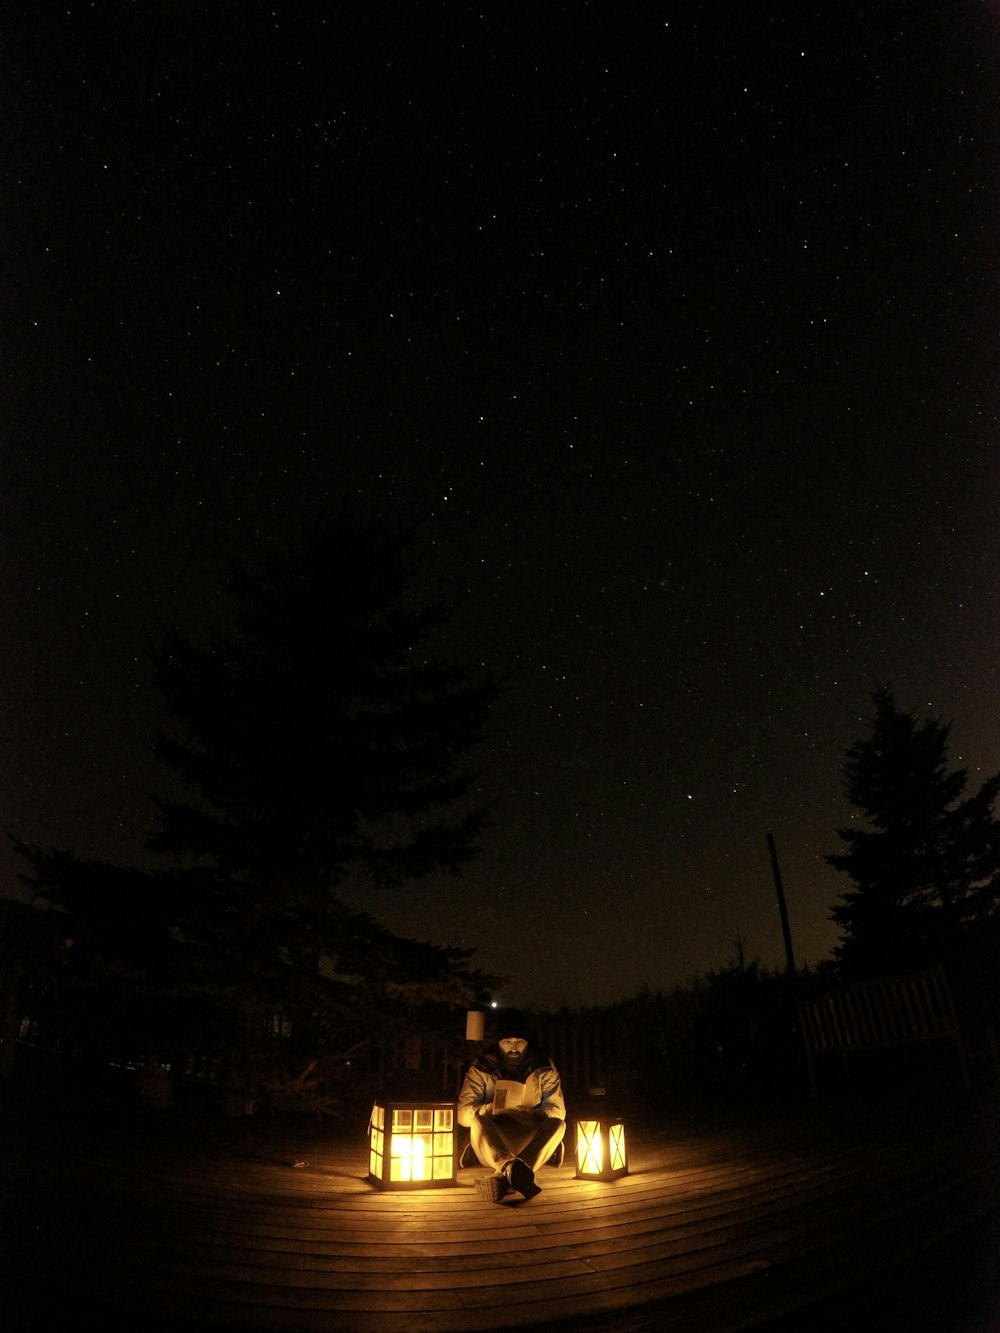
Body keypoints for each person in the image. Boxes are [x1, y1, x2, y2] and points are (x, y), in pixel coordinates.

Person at [458, 1009, 566, 1203]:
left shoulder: (544, 1066)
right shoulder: (481, 1067)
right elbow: (462, 1114)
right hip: (492, 1142)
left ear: (528, 1042)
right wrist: (485, 1110)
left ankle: (506, 1174)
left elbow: (558, 1110)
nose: (513, 1047)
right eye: (507, 1042)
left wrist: (538, 1115)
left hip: (529, 1140)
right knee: (476, 1120)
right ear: (498, 1043)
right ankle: (511, 1168)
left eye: (519, 1042)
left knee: (559, 1124)